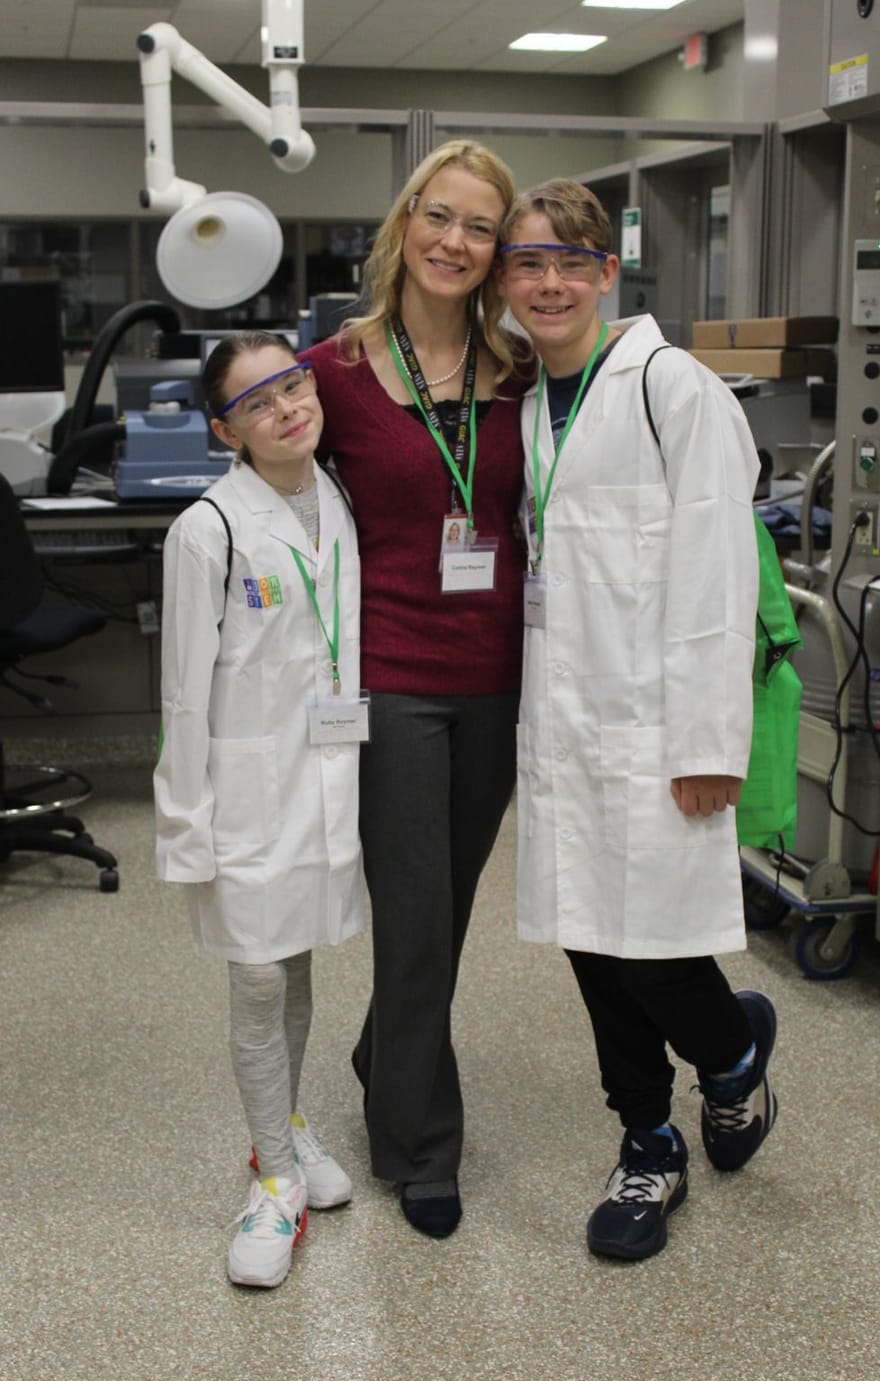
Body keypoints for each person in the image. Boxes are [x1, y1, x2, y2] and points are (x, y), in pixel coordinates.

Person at [497, 179, 778, 1262]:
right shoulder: (529, 403)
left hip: (660, 731)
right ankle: (646, 1141)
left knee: (654, 947)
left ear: (608, 272)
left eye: (572, 262)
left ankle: (732, 1054)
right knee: (588, 942)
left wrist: (708, 742)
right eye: (528, 263)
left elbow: (714, 577)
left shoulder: (671, 387)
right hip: (563, 725)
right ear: (507, 280)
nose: (551, 282)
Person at [300, 139, 529, 1238]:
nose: (454, 241)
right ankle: (419, 1146)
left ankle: (379, 1050)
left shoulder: (521, 371)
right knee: (415, 916)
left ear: (496, 250)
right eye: (439, 216)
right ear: (405, 222)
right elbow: (269, 501)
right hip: (387, 676)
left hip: (495, 676)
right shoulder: (332, 371)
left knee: (443, 905)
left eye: (479, 227)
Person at [154, 332, 365, 1287]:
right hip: (243, 792)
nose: (287, 408)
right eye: (258, 401)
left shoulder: (340, 501)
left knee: (298, 955)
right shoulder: (209, 527)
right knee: (256, 978)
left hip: (323, 774)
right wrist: (185, 826)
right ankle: (273, 1181)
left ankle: (285, 1123)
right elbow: (183, 695)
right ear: (224, 429)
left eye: (293, 383)